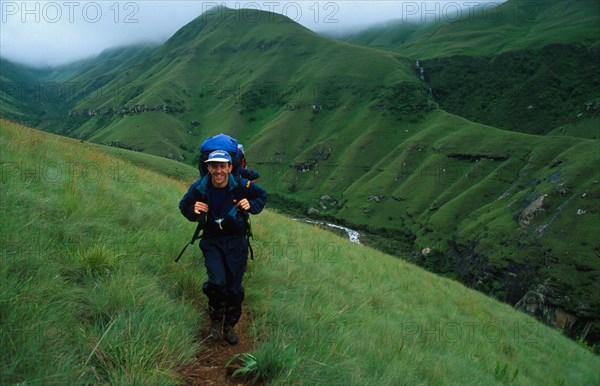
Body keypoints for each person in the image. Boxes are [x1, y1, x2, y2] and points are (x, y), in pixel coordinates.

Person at [179, 149, 267, 344]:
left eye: (222, 166)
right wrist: (193, 210)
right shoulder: (199, 188)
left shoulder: (242, 185)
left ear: (229, 167)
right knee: (218, 282)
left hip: (237, 241)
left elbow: (261, 196)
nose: (218, 171)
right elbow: (184, 205)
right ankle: (216, 320)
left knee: (234, 287)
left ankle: (230, 324)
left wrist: (250, 205)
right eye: (214, 166)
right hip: (212, 242)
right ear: (208, 167)